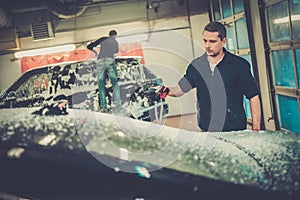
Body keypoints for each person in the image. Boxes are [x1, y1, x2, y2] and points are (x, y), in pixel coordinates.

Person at [160, 21, 261, 132]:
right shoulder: (196, 66)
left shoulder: (239, 65)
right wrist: (166, 91)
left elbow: (253, 97)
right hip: (206, 129)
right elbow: (181, 88)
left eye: (212, 41)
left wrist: (256, 129)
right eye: (205, 41)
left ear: (223, 41)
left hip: (235, 129)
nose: (207, 45)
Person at [87, 30, 121, 112]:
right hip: (110, 60)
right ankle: (118, 105)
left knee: (101, 84)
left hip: (101, 60)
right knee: (115, 83)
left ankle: (104, 107)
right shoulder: (115, 42)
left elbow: (89, 46)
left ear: (109, 35)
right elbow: (116, 51)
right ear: (115, 35)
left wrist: (95, 52)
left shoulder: (103, 39)